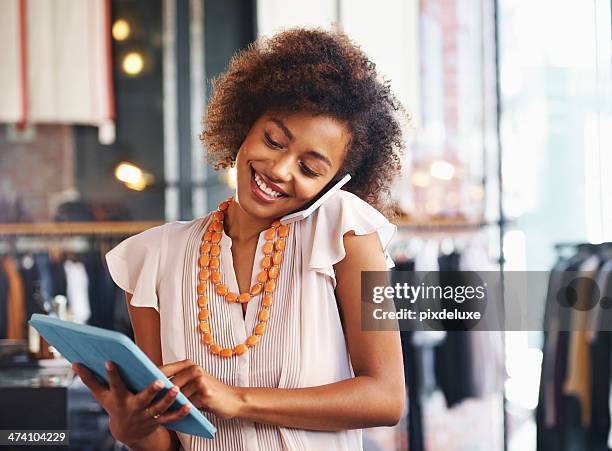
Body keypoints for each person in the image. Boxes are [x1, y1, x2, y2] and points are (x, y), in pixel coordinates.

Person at [73, 27, 407, 451]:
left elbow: (386, 398)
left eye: (309, 168)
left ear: (334, 183)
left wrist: (238, 400)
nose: (281, 170)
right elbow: (170, 440)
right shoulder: (152, 257)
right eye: (273, 140)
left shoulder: (349, 232)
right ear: (245, 125)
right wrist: (132, 429)